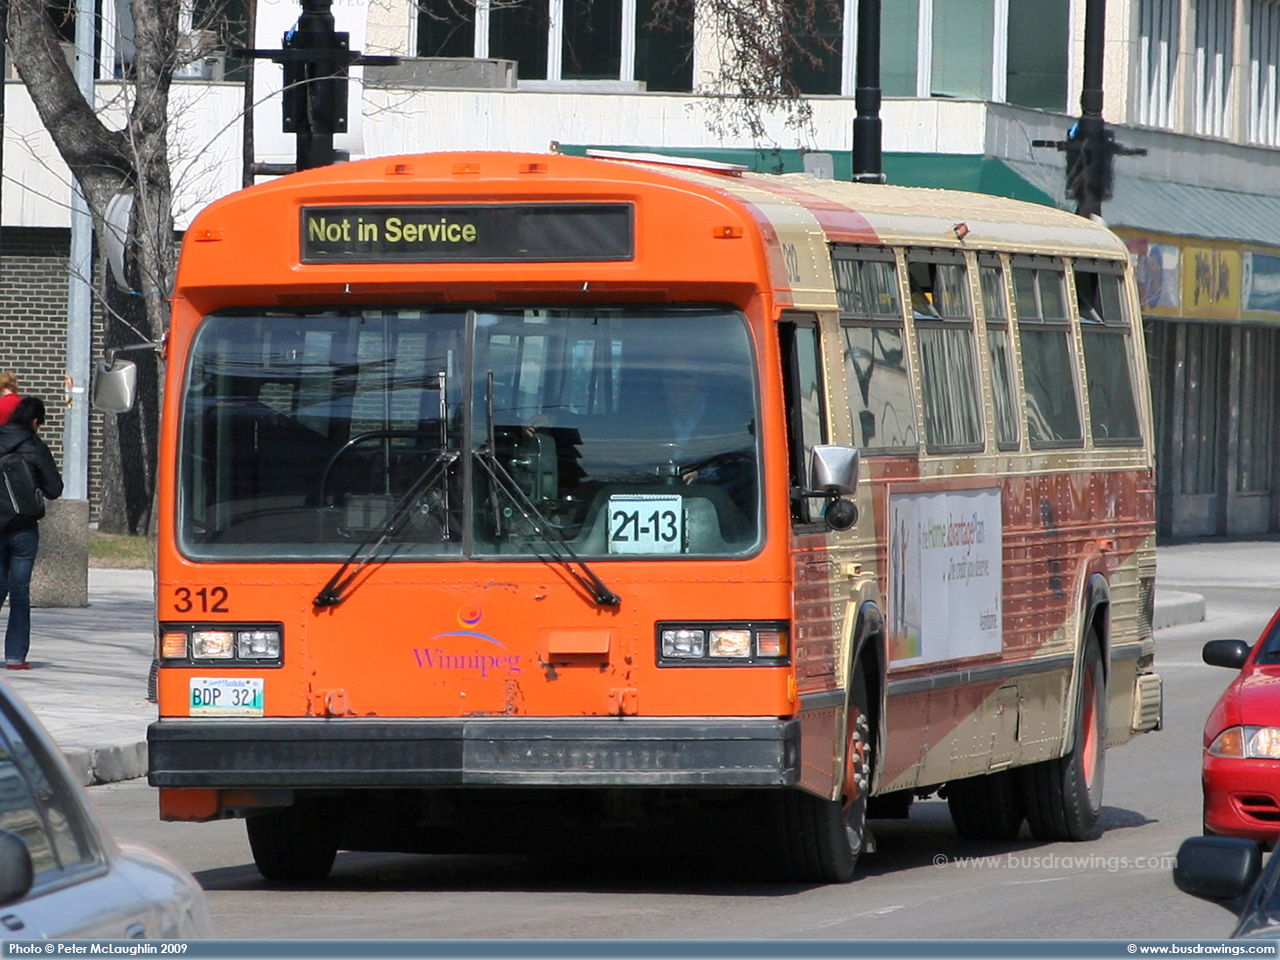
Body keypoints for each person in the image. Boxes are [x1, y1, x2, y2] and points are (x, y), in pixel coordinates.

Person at [0, 397, 63, 669]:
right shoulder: (36, 447)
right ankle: (15, 656)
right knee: (19, 591)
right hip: (24, 527)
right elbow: (54, 489)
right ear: (35, 421)